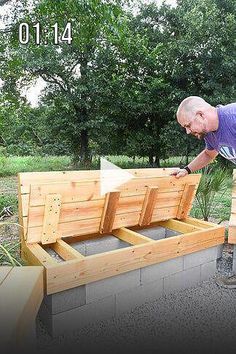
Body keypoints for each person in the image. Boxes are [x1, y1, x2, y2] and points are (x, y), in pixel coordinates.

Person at [172, 96, 236, 288]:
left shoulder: (233, 117)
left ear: (200, 115)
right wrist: (187, 169)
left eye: (188, 125)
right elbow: (209, 154)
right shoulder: (210, 134)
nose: (187, 131)